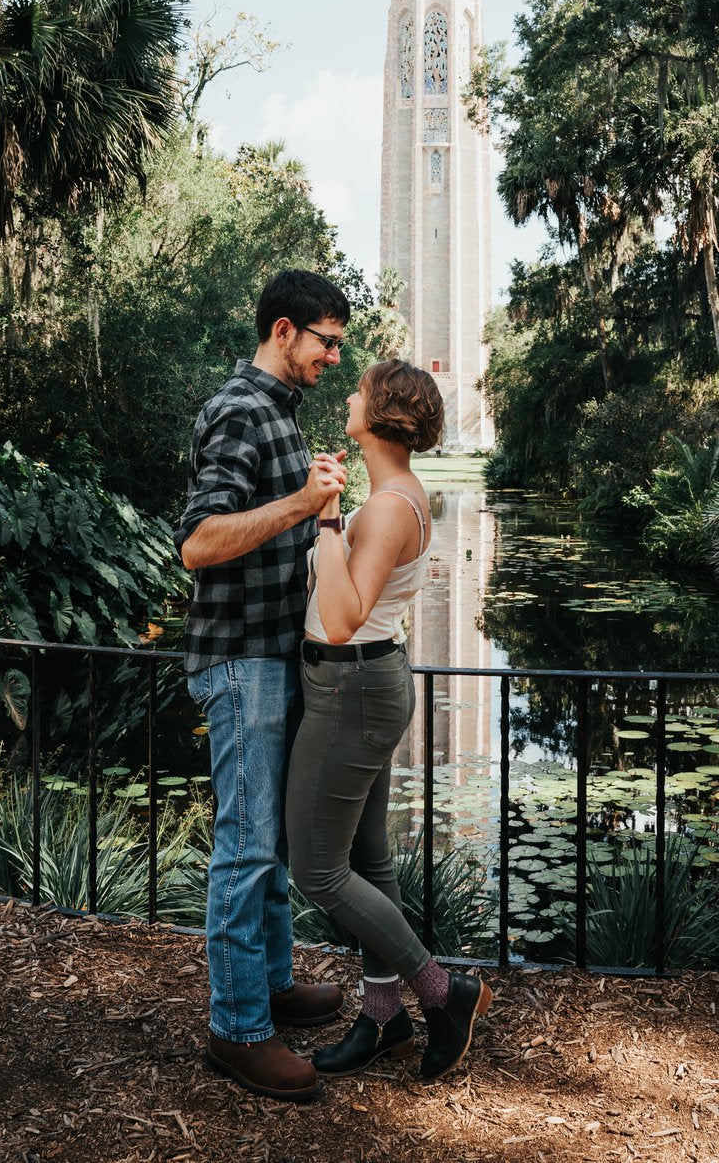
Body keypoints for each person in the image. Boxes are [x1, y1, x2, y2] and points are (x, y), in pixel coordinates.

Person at [286, 360, 493, 1082]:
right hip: (365, 685)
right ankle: (382, 1018)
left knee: (316, 866)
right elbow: (359, 597)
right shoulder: (395, 496)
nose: (347, 394)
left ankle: (443, 992)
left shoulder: (388, 507)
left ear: (379, 415)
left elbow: (342, 618)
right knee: (371, 861)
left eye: (359, 389)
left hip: (352, 689)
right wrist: (336, 516)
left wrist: (322, 519)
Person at [176, 269, 353, 1102]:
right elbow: (200, 542)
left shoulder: (279, 412)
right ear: (284, 331)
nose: (333, 358)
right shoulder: (240, 409)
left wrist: (320, 513)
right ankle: (237, 1028)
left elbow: (280, 531)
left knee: (273, 842)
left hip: (276, 657)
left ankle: (272, 987)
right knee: (246, 847)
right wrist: (296, 502)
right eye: (326, 341)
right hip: (240, 660)